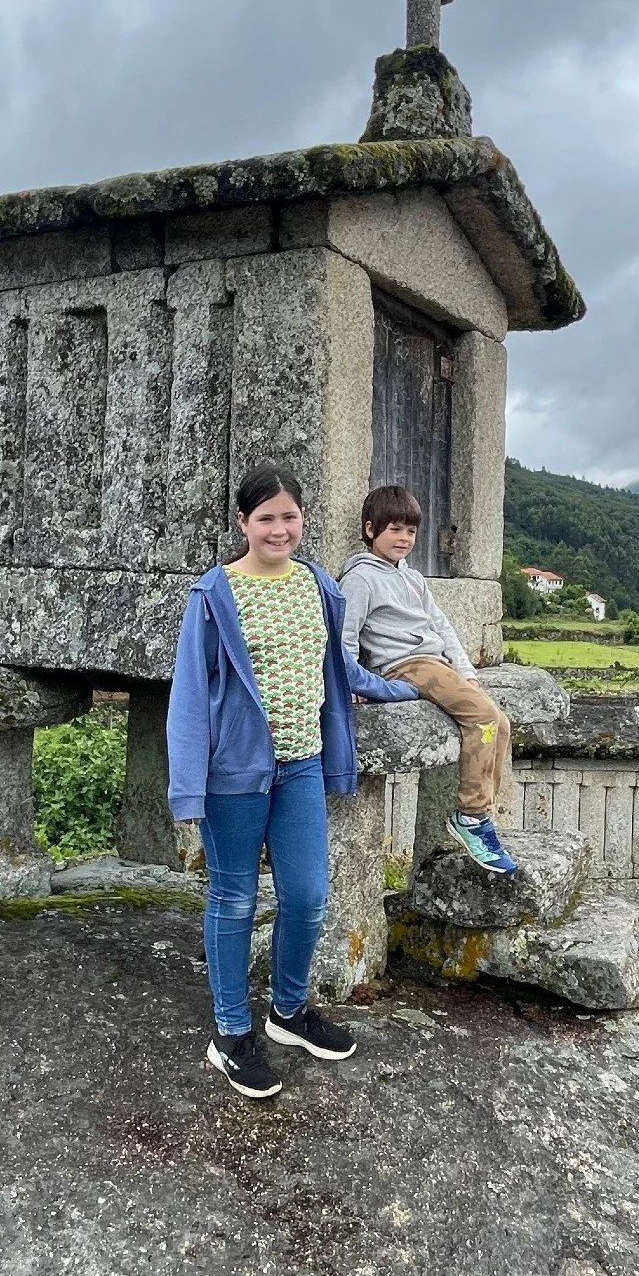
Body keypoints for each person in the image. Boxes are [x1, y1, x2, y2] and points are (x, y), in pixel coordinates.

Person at [166, 464, 419, 1101]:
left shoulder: (318, 585)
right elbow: (191, 699)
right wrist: (188, 789)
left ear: (303, 519)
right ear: (244, 524)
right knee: (234, 898)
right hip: (236, 774)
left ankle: (287, 1011)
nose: (280, 529)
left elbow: (340, 667)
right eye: (266, 518)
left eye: (290, 516)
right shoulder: (214, 596)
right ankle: (230, 1035)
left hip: (302, 764)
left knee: (307, 895)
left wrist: (403, 689)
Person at [340, 484, 517, 876]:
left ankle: (486, 812)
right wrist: (349, 683)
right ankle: (471, 816)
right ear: (371, 530)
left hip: (437, 663)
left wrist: (466, 673)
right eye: (394, 530)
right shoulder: (361, 579)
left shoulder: (414, 578)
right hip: (406, 665)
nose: (404, 539)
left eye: (411, 532)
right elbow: (345, 635)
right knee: (484, 720)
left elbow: (443, 627)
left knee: (500, 723)